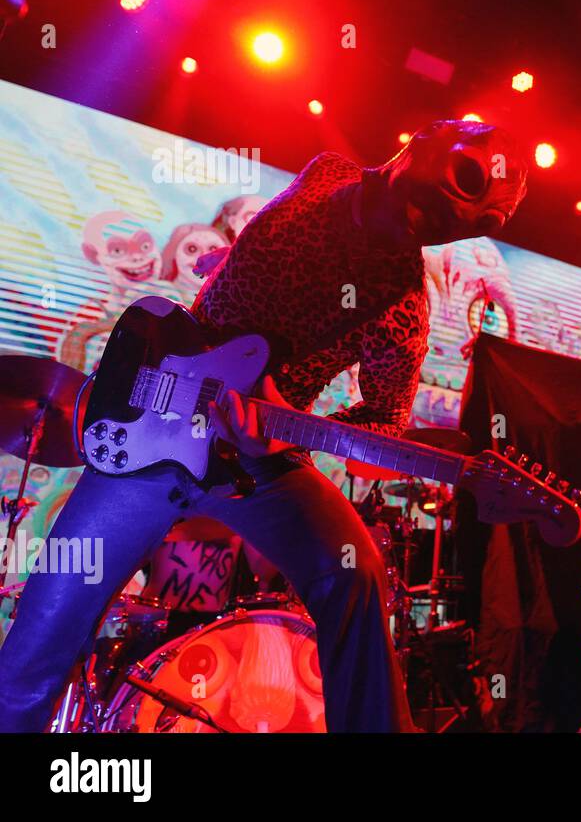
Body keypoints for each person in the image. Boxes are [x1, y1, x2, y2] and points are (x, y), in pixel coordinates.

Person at [0, 120, 527, 731]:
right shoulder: (327, 172)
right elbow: (264, 257)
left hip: (261, 454)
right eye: (453, 190)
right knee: (45, 622)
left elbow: (380, 424)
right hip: (153, 421)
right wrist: (230, 262)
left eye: (463, 221)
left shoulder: (402, 306)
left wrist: (286, 430)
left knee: (354, 572)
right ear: (424, 141)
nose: (436, 222)